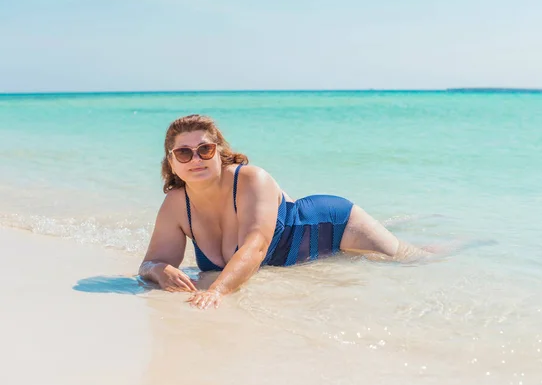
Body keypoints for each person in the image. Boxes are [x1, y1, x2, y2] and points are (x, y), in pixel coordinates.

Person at [139, 114, 446, 309]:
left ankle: (465, 243)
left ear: (219, 153)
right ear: (171, 161)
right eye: (184, 152)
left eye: (205, 149)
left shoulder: (250, 179)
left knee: (415, 259)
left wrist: (217, 291)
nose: (196, 158)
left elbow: (256, 246)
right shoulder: (176, 205)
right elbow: (151, 263)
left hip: (331, 226)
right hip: (295, 244)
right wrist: (158, 270)